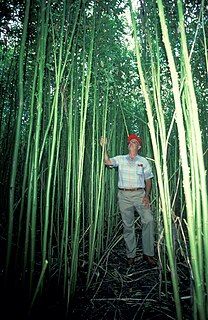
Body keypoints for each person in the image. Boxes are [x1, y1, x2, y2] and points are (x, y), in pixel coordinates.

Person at [100, 133, 155, 267]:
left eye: (134, 142)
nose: (131, 143)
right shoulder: (121, 159)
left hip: (139, 194)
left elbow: (148, 179)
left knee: (148, 219)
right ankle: (131, 254)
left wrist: (147, 195)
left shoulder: (144, 161)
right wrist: (104, 147)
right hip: (124, 195)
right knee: (128, 225)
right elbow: (107, 162)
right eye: (130, 142)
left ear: (139, 147)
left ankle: (148, 253)